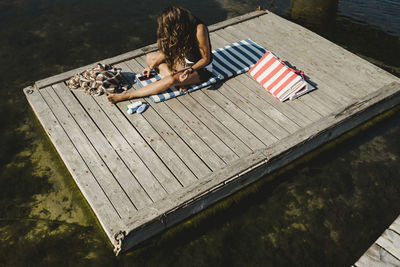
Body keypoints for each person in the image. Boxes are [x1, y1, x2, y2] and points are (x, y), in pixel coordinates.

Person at [107, 6, 213, 104]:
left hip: (199, 68)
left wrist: (189, 70)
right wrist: (151, 67)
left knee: (170, 80)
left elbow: (205, 59)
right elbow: (169, 51)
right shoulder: (181, 28)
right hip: (182, 61)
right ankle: (181, 81)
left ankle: (129, 95)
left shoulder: (199, 29)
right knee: (150, 57)